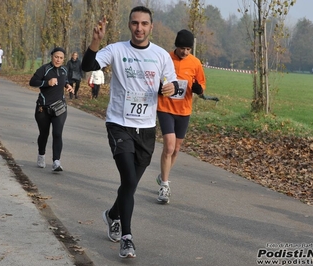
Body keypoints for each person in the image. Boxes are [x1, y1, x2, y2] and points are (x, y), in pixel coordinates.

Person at [81, 6, 178, 259]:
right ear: (129, 25)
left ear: (151, 27)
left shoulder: (160, 55)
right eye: (135, 23)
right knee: (128, 178)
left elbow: (173, 84)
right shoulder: (115, 49)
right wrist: (95, 41)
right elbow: (88, 65)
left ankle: (112, 214)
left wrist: (170, 89)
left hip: (146, 128)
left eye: (144, 24)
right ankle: (127, 238)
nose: (139, 28)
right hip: (119, 124)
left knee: (130, 184)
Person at [156, 29, 206, 204]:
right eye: (182, 48)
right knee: (169, 147)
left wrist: (199, 89)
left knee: (176, 149)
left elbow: (201, 84)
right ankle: (164, 185)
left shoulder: (195, 63)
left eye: (188, 49)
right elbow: (155, 78)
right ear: (176, 46)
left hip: (184, 110)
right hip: (165, 107)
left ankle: (164, 173)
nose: (185, 52)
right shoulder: (165, 58)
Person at [29, 47, 74, 172]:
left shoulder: (65, 69)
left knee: (57, 133)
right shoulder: (44, 69)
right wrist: (47, 83)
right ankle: (41, 155)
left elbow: (65, 79)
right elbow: (32, 82)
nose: (58, 60)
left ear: (63, 59)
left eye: (61, 58)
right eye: (56, 57)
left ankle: (56, 161)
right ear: (51, 57)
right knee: (44, 134)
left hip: (59, 108)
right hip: (43, 108)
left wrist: (68, 85)